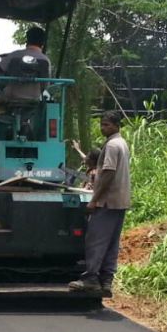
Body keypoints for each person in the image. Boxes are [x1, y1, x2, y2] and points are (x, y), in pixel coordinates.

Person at [69, 111, 130, 299]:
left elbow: (109, 173)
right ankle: (106, 281)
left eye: (107, 125)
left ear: (116, 125)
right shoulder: (123, 143)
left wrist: (95, 199)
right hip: (120, 201)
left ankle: (91, 278)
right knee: (112, 243)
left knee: (96, 240)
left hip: (107, 201)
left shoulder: (111, 145)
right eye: (102, 124)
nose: (103, 128)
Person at [0, 26, 51, 132]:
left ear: (27, 40)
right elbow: (46, 85)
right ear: (42, 43)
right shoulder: (45, 60)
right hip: (33, 100)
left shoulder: (15, 55)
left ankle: (9, 123)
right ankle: (22, 123)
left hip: (10, 98)